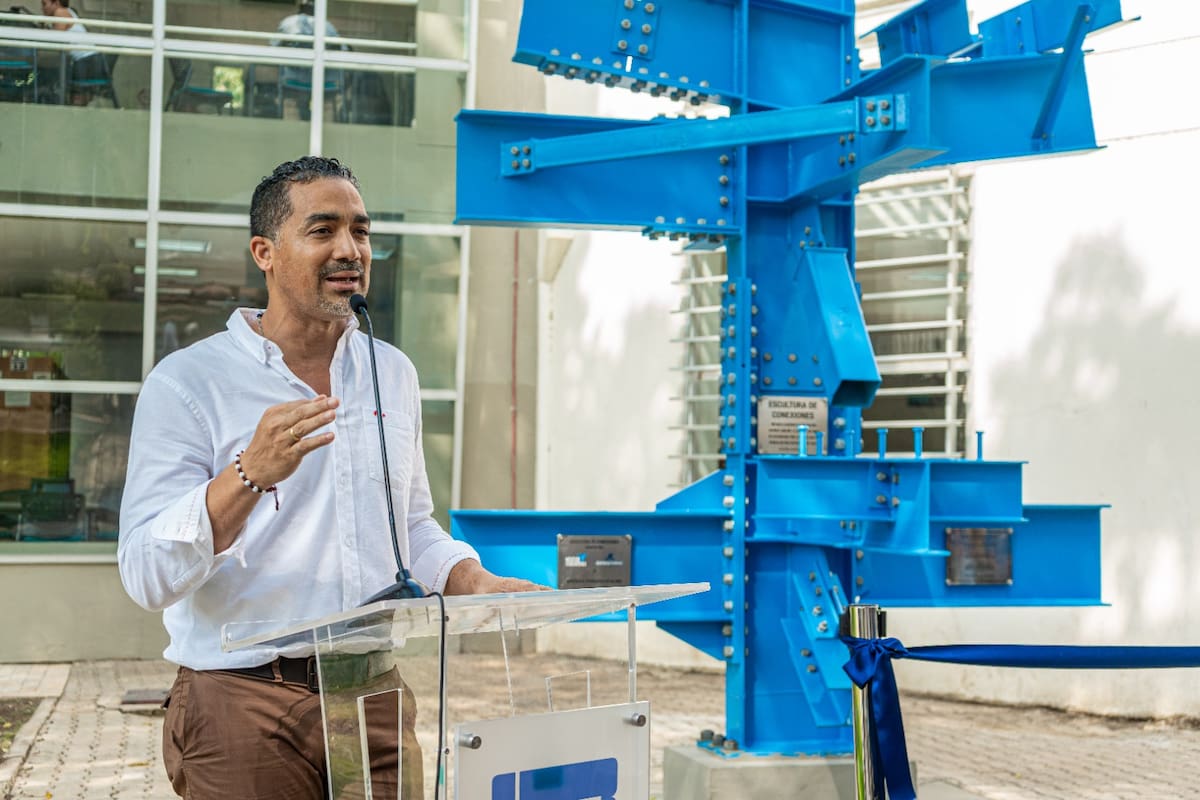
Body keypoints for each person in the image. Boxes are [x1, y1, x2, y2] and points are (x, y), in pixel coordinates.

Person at [118, 156, 540, 799]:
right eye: (323, 230)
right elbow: (146, 574)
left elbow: (411, 527)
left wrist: (470, 579)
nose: (350, 249)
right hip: (245, 703)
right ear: (264, 251)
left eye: (361, 231)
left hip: (375, 697)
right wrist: (247, 475)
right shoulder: (188, 383)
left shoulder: (391, 371)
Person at [38, 0, 106, 104]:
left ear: (56, 3)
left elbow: (55, 40)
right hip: (91, 62)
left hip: (86, 64)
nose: (42, 8)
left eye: (44, 4)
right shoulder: (68, 11)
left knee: (49, 75)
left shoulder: (60, 12)